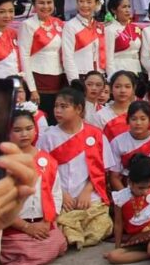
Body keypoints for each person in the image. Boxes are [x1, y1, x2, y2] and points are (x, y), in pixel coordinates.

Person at [37, 87, 116, 249]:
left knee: (102, 226)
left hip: (89, 197)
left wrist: (87, 191)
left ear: (79, 109)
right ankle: (70, 236)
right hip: (60, 197)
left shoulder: (96, 135)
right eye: (56, 106)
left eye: (64, 106)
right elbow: (43, 173)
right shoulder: (47, 138)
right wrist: (62, 194)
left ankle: (74, 237)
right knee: (59, 226)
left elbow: (102, 170)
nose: (58, 111)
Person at [0, 106, 67, 265]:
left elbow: (55, 194)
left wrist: (47, 222)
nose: (24, 134)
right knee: (20, 252)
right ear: (8, 132)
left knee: (58, 243)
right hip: (13, 228)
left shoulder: (46, 159)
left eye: (29, 128)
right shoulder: (0, 163)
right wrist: (26, 227)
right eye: (18, 130)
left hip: (43, 223)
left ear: (36, 130)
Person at [104, 154, 150, 265]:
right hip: (135, 239)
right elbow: (118, 224)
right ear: (130, 182)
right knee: (113, 257)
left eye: (148, 187)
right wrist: (117, 246)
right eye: (140, 188)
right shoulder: (120, 198)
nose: (145, 191)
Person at [17, 0, 65, 118]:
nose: (46, 6)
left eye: (49, 2)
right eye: (41, 3)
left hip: (59, 78)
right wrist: (32, 89)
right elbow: (23, 56)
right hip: (38, 78)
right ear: (34, 4)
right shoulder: (27, 25)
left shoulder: (59, 23)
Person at [61, 0, 104, 83]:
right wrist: (74, 81)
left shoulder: (98, 26)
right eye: (81, 1)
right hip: (78, 75)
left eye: (89, 2)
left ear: (96, 4)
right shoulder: (70, 26)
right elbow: (67, 57)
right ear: (77, 3)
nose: (84, 5)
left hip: (97, 76)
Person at [103, 0, 142, 77]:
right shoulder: (110, 29)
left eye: (129, 7)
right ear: (114, 10)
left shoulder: (135, 28)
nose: (128, 10)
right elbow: (108, 57)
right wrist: (111, 77)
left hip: (136, 70)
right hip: (119, 70)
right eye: (124, 7)